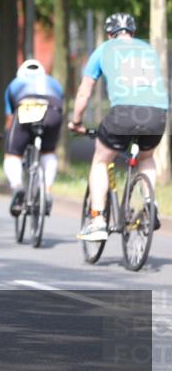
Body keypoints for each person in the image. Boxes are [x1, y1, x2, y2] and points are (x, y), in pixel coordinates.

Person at [69, 13, 169, 241]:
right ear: (132, 32)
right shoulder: (148, 50)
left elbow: (84, 92)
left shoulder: (104, 49)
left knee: (101, 160)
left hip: (124, 112)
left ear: (109, 34)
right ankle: (149, 201)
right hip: (157, 112)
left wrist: (76, 122)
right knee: (146, 157)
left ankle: (98, 221)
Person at [3, 59, 64, 218]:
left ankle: (17, 186)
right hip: (53, 108)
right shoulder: (54, 82)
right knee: (48, 152)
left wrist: (8, 137)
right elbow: (60, 106)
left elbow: (10, 117)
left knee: (12, 155)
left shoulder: (15, 83)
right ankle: (48, 189)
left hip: (27, 106)